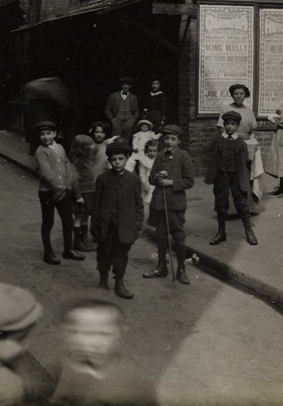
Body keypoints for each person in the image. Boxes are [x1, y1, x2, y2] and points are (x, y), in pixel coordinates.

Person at [51, 300, 156, 406]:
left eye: (103, 333)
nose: (95, 344)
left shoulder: (134, 377)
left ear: (120, 333)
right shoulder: (69, 365)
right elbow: (58, 400)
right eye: (81, 333)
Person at [91, 138, 144, 299]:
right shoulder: (103, 179)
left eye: (120, 159)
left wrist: (136, 226)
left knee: (121, 255)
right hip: (106, 226)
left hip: (125, 227)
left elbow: (138, 205)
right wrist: (94, 227)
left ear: (127, 158)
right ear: (109, 160)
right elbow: (96, 205)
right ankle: (103, 281)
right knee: (104, 254)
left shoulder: (133, 180)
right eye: (113, 159)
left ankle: (119, 283)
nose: (117, 162)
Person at [143, 124, 194, 285]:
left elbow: (189, 181)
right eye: (167, 138)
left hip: (175, 203)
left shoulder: (183, 156)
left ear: (179, 140)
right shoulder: (159, 156)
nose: (169, 142)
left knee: (178, 236)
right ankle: (161, 267)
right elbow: (151, 178)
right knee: (161, 235)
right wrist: (156, 178)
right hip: (159, 202)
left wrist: (170, 182)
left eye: (173, 139)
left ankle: (181, 269)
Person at [205, 111, 259, 247]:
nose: (229, 127)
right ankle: (221, 232)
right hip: (221, 175)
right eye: (227, 124)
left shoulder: (241, 142)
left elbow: (246, 161)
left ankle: (248, 231)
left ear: (237, 125)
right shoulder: (217, 139)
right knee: (221, 202)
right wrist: (213, 167)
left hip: (236, 175)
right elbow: (206, 151)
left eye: (233, 124)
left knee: (241, 202)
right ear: (223, 125)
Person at [35, 121, 84, 265]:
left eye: (48, 133)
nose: (45, 137)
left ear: (54, 134)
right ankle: (48, 253)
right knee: (48, 222)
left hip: (64, 191)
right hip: (48, 193)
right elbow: (47, 174)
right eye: (42, 134)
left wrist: (69, 183)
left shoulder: (60, 148)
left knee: (68, 220)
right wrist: (60, 187)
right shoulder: (40, 152)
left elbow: (67, 164)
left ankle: (68, 250)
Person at [69, 134, 96, 253]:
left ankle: (84, 240)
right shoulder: (76, 163)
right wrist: (78, 196)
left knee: (85, 217)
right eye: (89, 146)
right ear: (83, 148)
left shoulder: (88, 160)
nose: (92, 147)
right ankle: (78, 242)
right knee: (79, 217)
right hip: (81, 195)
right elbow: (73, 181)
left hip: (89, 193)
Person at [104, 77, 139, 145]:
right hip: (117, 119)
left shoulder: (134, 97)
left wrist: (133, 120)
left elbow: (137, 111)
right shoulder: (114, 95)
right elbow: (107, 109)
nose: (126, 86)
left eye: (127, 84)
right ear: (121, 85)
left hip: (129, 119)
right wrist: (112, 119)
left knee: (127, 139)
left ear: (130, 86)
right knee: (115, 139)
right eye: (124, 84)